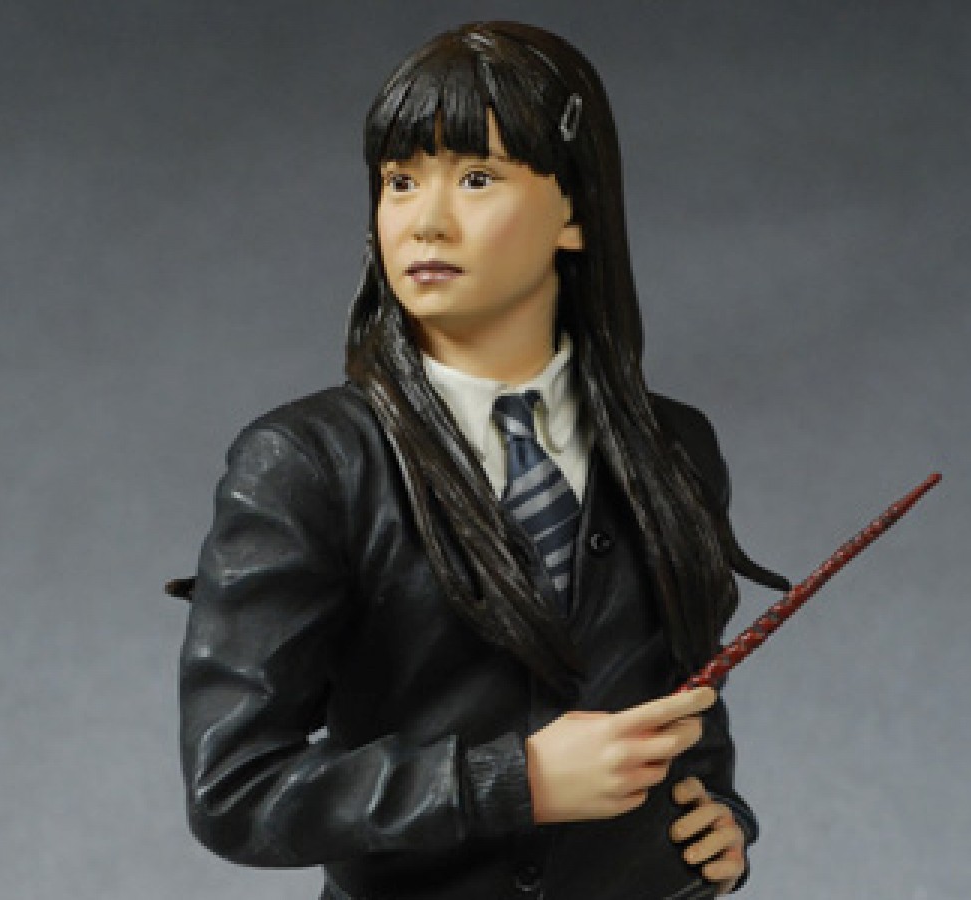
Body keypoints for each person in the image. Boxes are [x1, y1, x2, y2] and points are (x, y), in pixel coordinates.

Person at [178, 21, 787, 900]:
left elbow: (687, 691)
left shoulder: (674, 448)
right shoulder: (309, 465)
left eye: (476, 178)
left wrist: (715, 811)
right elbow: (236, 790)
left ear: (572, 211)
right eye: (399, 181)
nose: (425, 221)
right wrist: (514, 780)